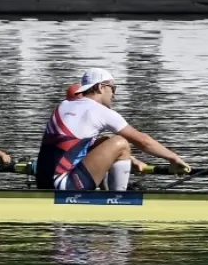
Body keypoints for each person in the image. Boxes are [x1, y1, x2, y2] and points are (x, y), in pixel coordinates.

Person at [35, 68, 190, 191]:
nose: (114, 95)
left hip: (42, 182)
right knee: (121, 142)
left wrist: (130, 159)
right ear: (101, 88)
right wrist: (173, 158)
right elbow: (143, 141)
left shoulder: (64, 105)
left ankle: (111, 187)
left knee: (106, 141)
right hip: (65, 186)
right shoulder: (99, 111)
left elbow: (76, 147)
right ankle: (119, 199)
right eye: (113, 89)